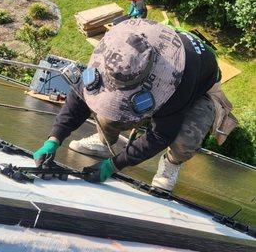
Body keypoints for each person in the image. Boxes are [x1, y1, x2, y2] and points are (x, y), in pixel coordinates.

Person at [34, 19, 234, 191]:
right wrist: (54, 138)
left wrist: (113, 166)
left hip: (198, 89)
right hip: (158, 73)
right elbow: (81, 94)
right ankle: (105, 142)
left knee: (185, 138)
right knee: (108, 110)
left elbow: (161, 134)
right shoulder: (118, 52)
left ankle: (171, 164)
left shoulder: (179, 76)